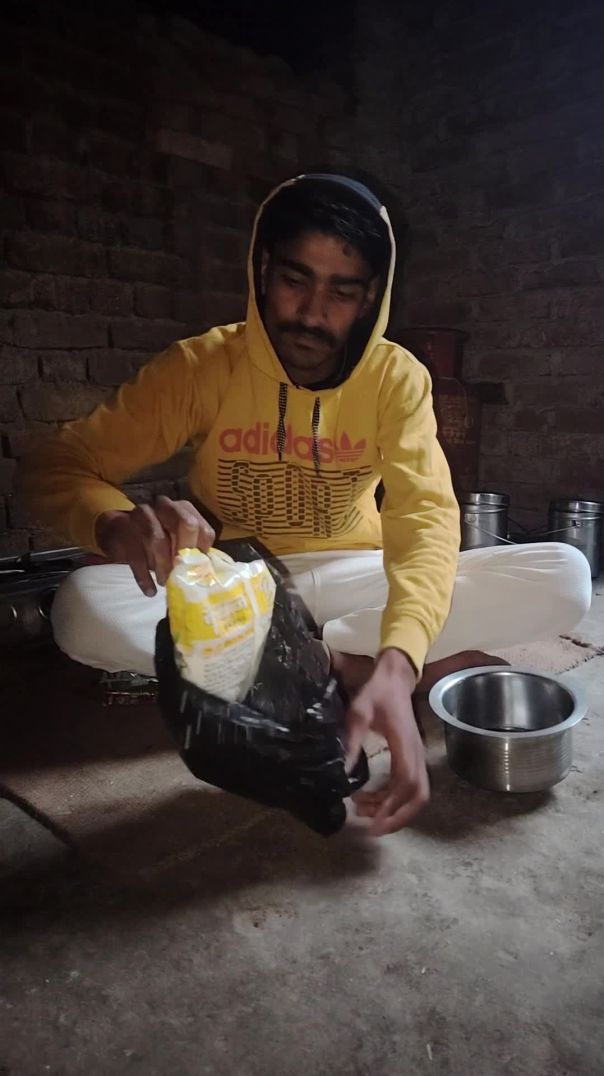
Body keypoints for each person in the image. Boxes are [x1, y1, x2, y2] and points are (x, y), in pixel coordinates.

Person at [20, 173, 591, 835]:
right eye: (296, 280)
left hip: (357, 573)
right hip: (241, 589)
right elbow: (56, 461)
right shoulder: (202, 365)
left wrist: (401, 655)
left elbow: (424, 516)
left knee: (566, 577)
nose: (313, 315)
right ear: (263, 271)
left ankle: (326, 666)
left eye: (342, 293)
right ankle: (339, 665)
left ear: (370, 297)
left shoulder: (396, 377)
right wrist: (112, 520)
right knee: (80, 609)